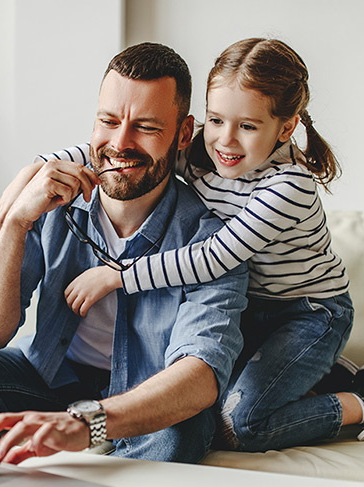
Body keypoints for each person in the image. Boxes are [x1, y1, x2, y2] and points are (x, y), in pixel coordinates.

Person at [28, 38, 364, 449]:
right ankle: (315, 376)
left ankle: (357, 399)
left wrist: (117, 276)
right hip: (251, 305)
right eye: (216, 120)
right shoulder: (205, 151)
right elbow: (119, 153)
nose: (225, 140)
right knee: (193, 399)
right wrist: (36, 172)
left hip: (307, 314)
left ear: (287, 127)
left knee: (237, 425)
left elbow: (215, 257)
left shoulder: (289, 186)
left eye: (248, 126)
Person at [0, 42, 249, 476]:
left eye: (145, 127)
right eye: (108, 121)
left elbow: (198, 376)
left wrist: (89, 422)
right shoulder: (52, 201)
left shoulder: (215, 240)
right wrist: (15, 223)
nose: (120, 143)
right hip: (52, 378)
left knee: (183, 428)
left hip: (145, 401)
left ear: (182, 134)